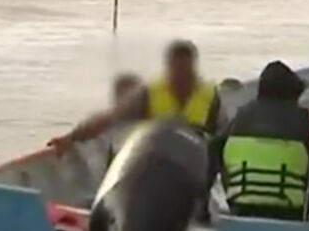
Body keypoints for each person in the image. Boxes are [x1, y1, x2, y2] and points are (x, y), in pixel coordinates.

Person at [47, 39, 226, 153]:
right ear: (168, 68)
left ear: (194, 69)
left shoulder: (210, 96)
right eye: (176, 71)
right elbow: (110, 117)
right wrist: (71, 138)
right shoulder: (149, 93)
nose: (181, 77)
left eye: (186, 72)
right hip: (156, 165)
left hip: (194, 171)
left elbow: (224, 138)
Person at [209, 61, 309, 221]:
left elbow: (210, 153)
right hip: (288, 214)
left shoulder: (240, 118)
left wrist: (202, 207)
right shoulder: (302, 124)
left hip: (241, 208)